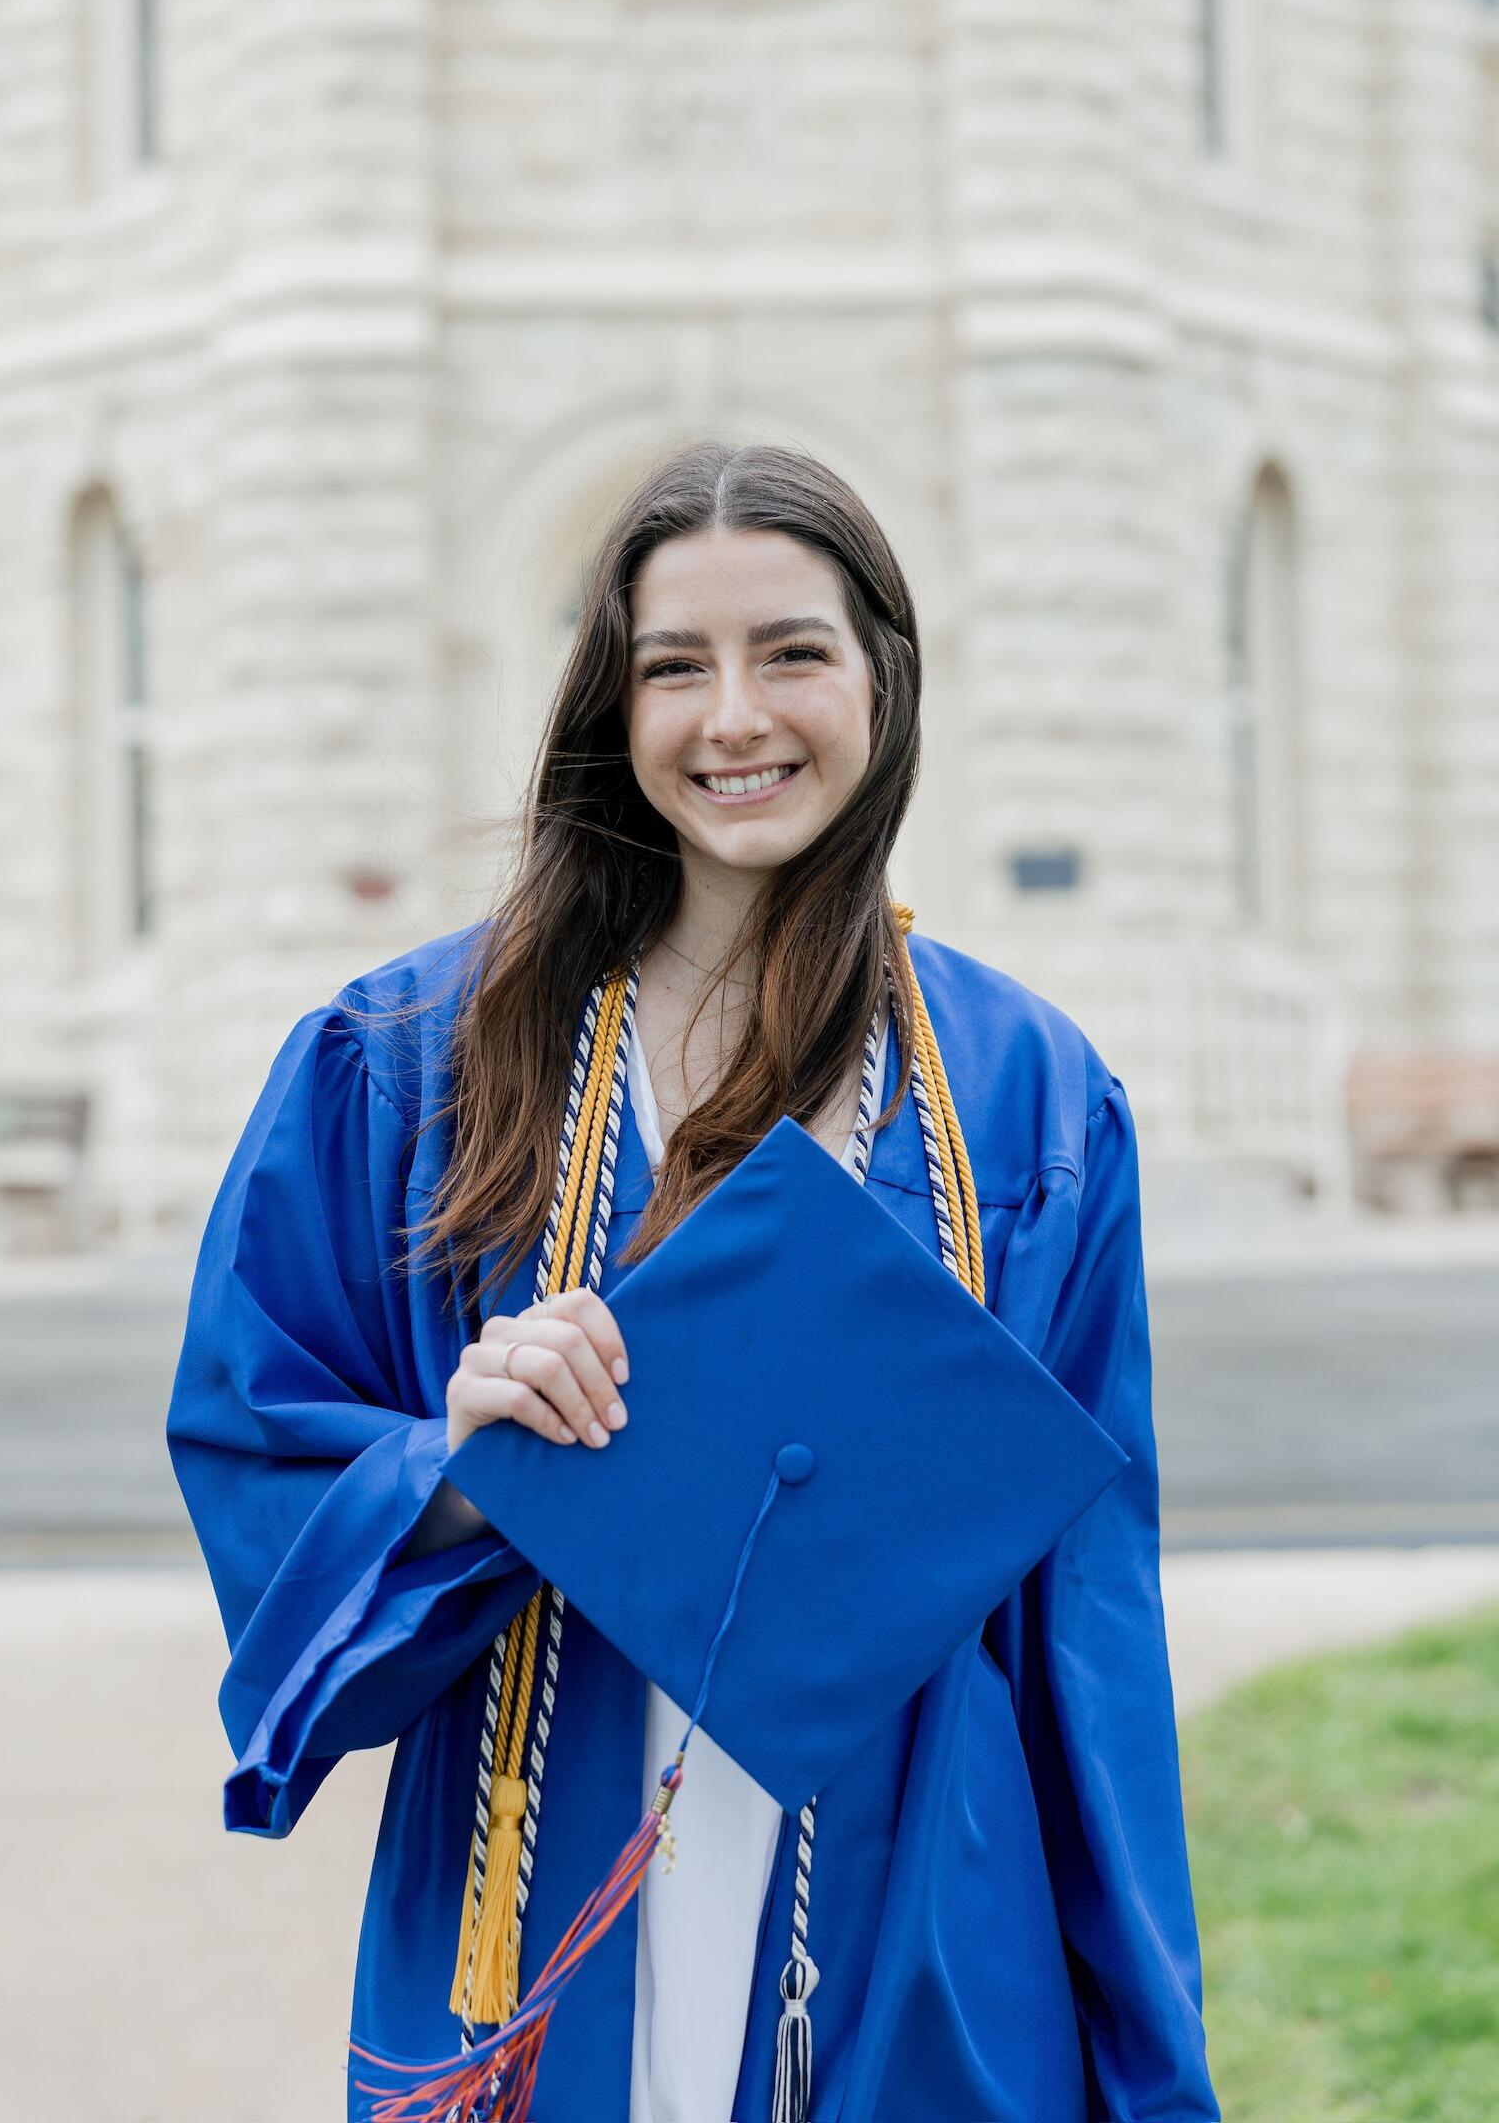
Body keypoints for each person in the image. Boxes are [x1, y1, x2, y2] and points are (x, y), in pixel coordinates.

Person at [167, 440, 1222, 2123]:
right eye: (676, 667)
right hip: (546, 1864)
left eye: (790, 651)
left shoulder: (1025, 1094)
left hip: (921, 1903)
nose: (735, 716)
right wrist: (458, 1462)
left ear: (883, 677)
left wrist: (1146, 2068)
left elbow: (1087, 1623)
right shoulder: (414, 1062)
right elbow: (258, 1440)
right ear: (615, 705)